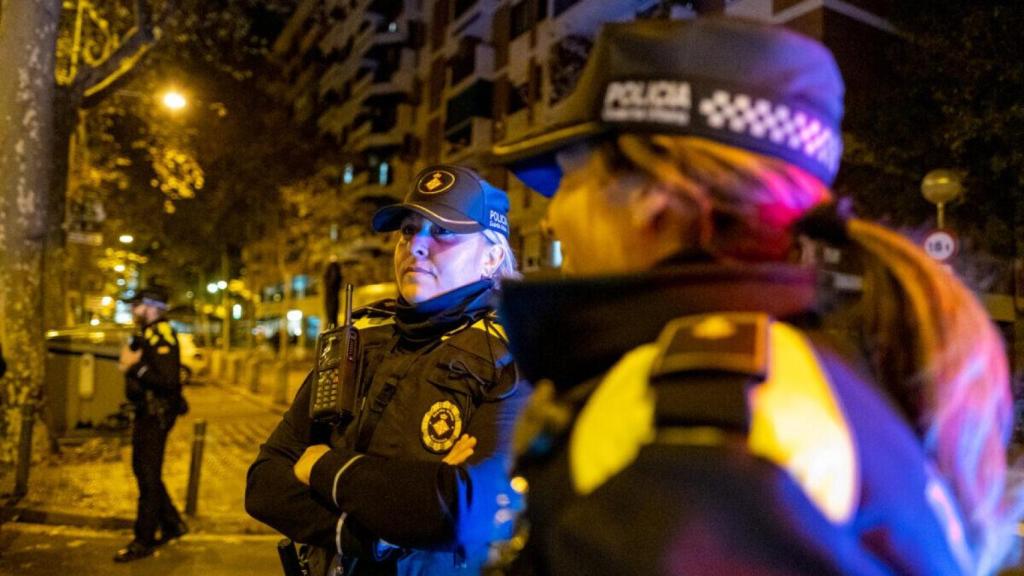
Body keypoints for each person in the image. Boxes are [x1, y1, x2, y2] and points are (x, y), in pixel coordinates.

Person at [490, 17, 1022, 576]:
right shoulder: (810, 379)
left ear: (654, 198)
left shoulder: (689, 425)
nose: (550, 219)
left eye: (569, 180)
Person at [246, 165, 530, 576]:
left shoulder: (513, 353)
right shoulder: (359, 336)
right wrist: (376, 533)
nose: (416, 245)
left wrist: (323, 466)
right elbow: (264, 483)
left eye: (443, 231)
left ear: (492, 256)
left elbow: (462, 510)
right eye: (408, 230)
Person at [114, 284, 189, 562]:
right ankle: (172, 523)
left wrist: (134, 366)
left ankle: (143, 540)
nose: (133, 310)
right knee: (145, 471)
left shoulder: (162, 334)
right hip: (147, 413)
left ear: (152, 307)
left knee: (147, 475)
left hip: (156, 414)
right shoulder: (147, 333)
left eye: (137, 305)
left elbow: (169, 381)